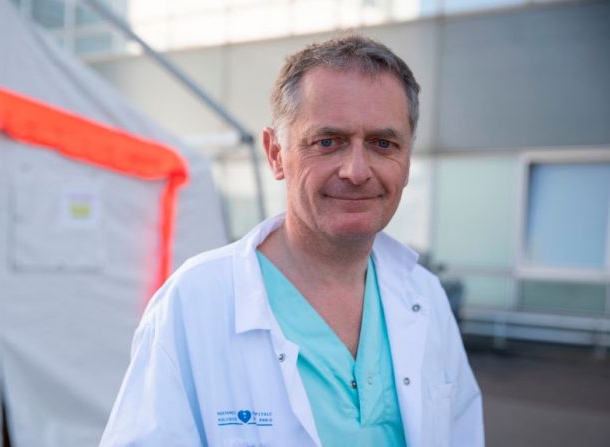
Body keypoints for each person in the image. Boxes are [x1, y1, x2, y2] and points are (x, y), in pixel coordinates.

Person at [101, 34, 483, 447]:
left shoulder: (425, 297)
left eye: (382, 143)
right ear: (275, 154)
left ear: (406, 161)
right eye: (328, 142)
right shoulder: (193, 301)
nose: (356, 170)